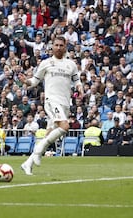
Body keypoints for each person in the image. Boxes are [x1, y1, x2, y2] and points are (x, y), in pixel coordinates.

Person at [19, 36, 84, 175]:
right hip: (51, 100)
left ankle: (28, 163)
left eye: (61, 45)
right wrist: (26, 81)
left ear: (65, 46)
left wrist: (80, 88)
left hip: (65, 102)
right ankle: (37, 151)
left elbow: (77, 80)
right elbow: (35, 81)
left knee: (49, 134)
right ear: (52, 47)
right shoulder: (46, 63)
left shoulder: (71, 64)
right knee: (65, 126)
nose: (59, 47)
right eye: (56, 45)